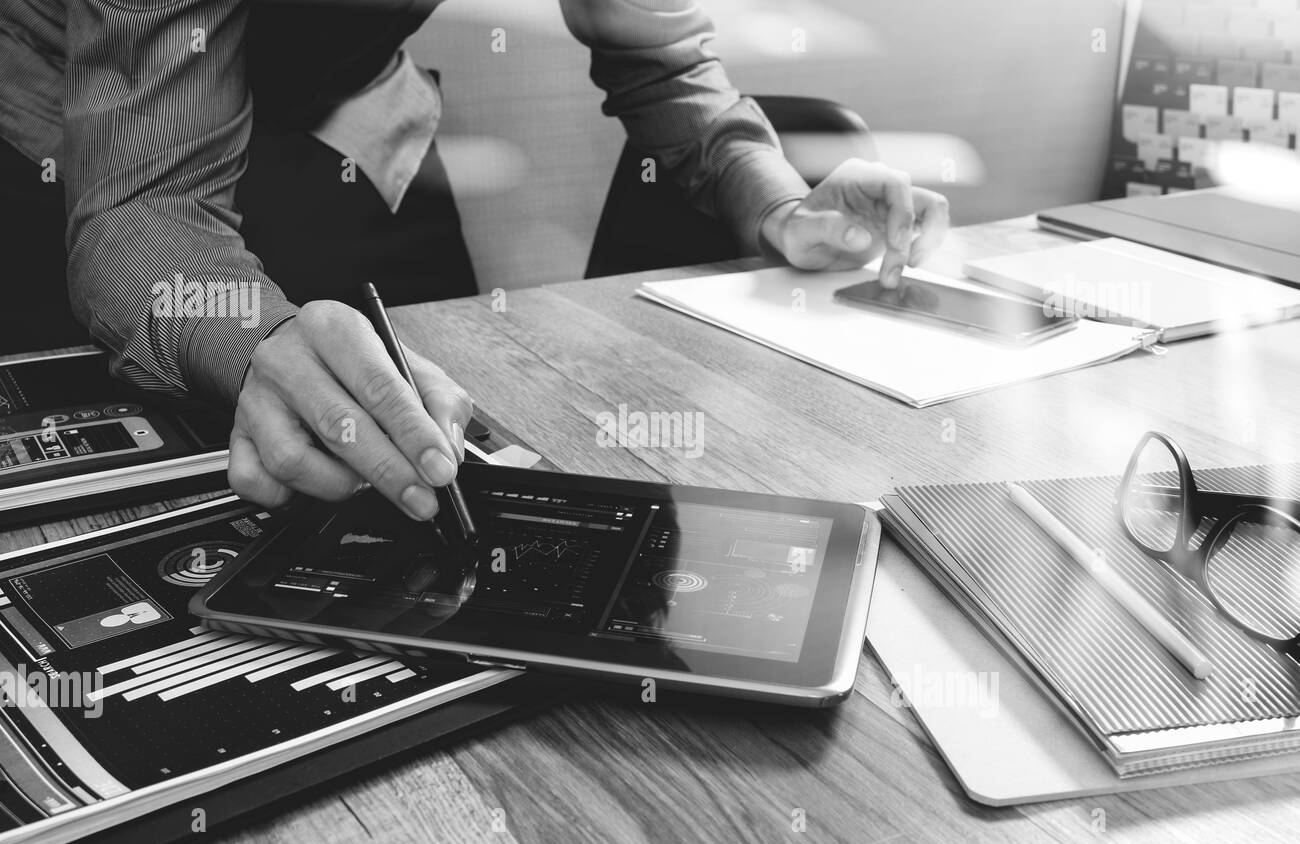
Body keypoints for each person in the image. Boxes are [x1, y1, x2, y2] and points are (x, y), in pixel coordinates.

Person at [0, 0, 949, 519]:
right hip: (92, 125)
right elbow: (143, 205)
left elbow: (659, 56)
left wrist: (776, 202)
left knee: (448, 458)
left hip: (345, 113)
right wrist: (248, 340)